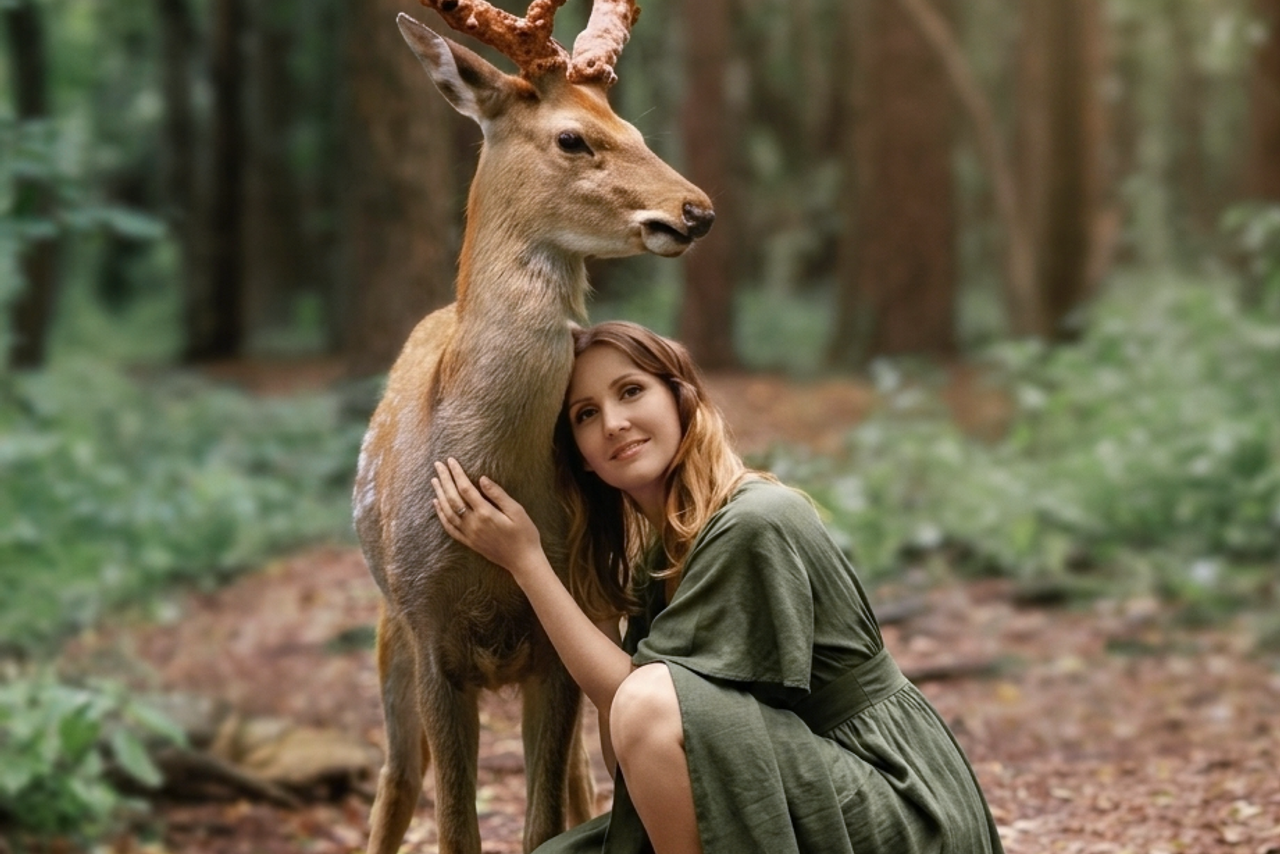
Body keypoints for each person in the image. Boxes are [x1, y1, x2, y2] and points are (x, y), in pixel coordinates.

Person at [430, 321, 1004, 854]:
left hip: (896, 795)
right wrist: (593, 587)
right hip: (807, 778)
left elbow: (644, 709)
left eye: (631, 391)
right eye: (585, 413)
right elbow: (629, 754)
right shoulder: (665, 556)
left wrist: (526, 563)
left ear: (681, 399)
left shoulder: (753, 522)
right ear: (580, 459)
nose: (613, 423)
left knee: (649, 701)